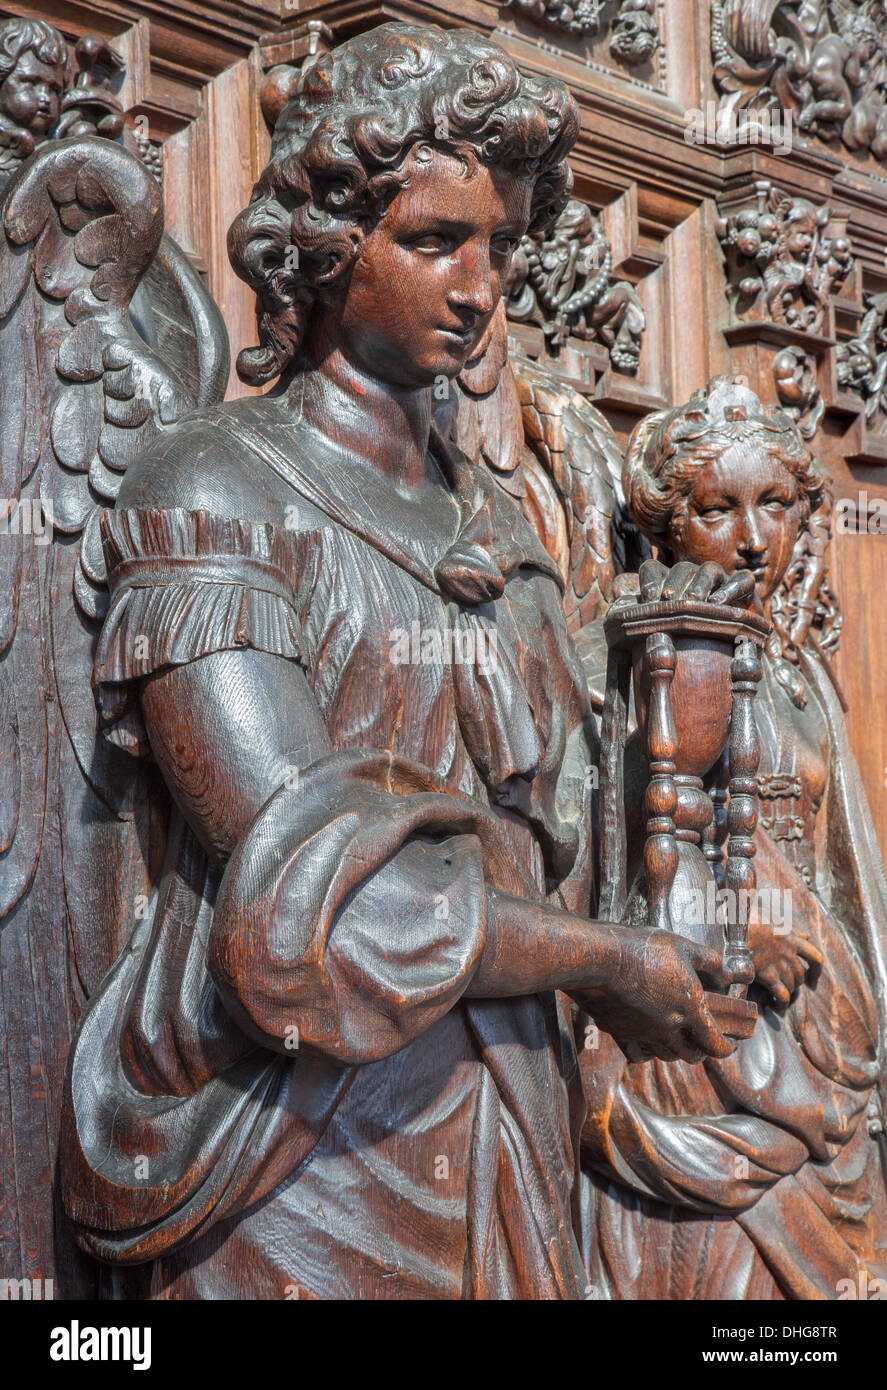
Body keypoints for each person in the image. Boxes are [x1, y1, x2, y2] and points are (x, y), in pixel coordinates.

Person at [60, 23, 731, 1299]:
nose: (479, 289)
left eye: (502, 247)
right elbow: (313, 903)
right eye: (432, 242)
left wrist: (686, 924)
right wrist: (605, 960)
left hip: (506, 1116)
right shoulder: (214, 485)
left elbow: (552, 841)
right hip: (300, 1150)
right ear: (324, 245)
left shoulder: (502, 527)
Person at [580, 376, 887, 1300]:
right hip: (718, 1033)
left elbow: (846, 866)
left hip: (826, 1021)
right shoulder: (652, 657)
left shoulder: (799, 671)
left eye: (777, 506)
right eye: (719, 510)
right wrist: (724, 933)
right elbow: (614, 844)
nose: (755, 539)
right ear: (670, 522)